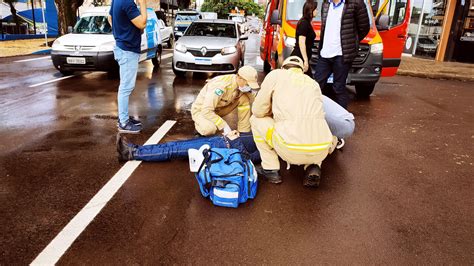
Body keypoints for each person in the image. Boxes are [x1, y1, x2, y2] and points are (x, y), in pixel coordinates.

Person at [116, 96, 354, 163]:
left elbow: (254, 155)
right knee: (180, 149)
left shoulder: (284, 142)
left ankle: (133, 153)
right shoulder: (293, 135)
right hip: (231, 143)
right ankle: (135, 152)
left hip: (228, 148)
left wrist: (234, 139)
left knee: (177, 148)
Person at [250, 56, 336, 188]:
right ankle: (313, 165)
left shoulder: (276, 75)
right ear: (302, 70)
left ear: (283, 67)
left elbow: (258, 110)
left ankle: (270, 169)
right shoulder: (313, 83)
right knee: (314, 128)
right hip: (321, 149)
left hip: (289, 148)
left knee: (255, 119)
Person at [314, 0, 370, 109]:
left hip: (341, 54)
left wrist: (351, 42)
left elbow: (364, 27)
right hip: (325, 53)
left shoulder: (356, 3)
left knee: (338, 88)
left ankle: (343, 119)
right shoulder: (326, 4)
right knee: (316, 85)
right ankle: (314, 116)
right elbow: (325, 27)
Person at [108, 0, 148, 133]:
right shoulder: (127, 2)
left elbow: (110, 18)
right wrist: (143, 3)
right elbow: (142, 23)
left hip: (122, 47)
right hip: (127, 50)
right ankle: (123, 122)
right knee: (126, 87)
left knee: (125, 86)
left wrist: (121, 32)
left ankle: (124, 118)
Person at [191, 66, 260, 136]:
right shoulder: (220, 86)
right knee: (209, 129)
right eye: (248, 84)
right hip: (202, 111)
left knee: (244, 98)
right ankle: (199, 127)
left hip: (217, 110)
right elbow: (206, 110)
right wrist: (224, 126)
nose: (248, 87)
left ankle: (243, 132)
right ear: (239, 78)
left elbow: (256, 99)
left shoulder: (240, 84)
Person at [116, 131, 260, 163]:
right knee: (175, 146)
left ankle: (131, 153)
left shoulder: (273, 148)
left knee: (173, 149)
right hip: (220, 141)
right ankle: (135, 149)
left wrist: (235, 140)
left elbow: (247, 158)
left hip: (221, 148)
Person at [290, 0, 317, 76]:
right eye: (315, 9)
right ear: (310, 10)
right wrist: (305, 61)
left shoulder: (306, 22)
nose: (317, 11)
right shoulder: (304, 23)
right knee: (306, 83)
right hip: (300, 58)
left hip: (301, 57)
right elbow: (301, 43)